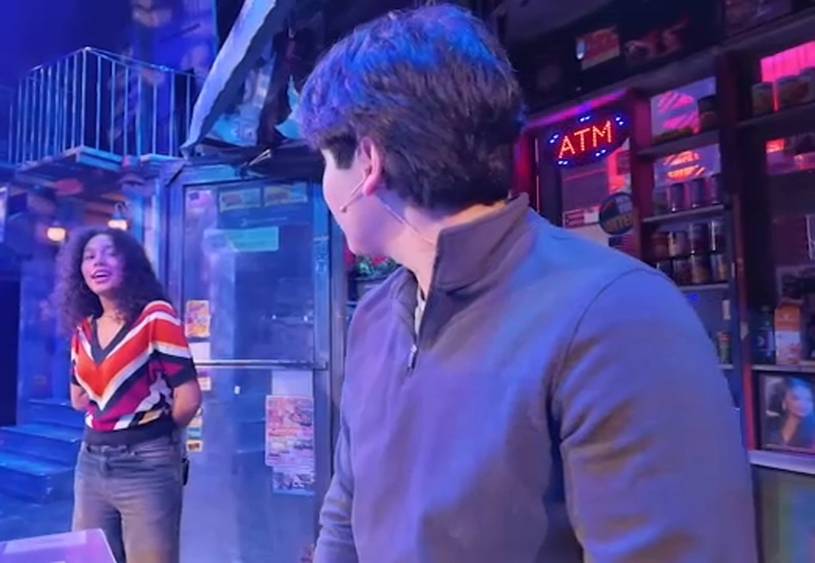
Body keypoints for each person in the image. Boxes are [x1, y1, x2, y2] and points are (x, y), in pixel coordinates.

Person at [297, 5, 756, 562]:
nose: (326, 185)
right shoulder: (374, 319)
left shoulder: (616, 315)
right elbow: (347, 510)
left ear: (368, 161)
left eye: (328, 160)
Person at [54, 226, 202, 563]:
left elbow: (189, 398)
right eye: (89, 257)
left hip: (146, 464)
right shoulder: (83, 330)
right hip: (90, 463)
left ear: (129, 263)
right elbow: (79, 398)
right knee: (89, 558)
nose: (98, 262)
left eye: (110, 253)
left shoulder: (155, 316)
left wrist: (155, 436)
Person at [766, 377, 815, 450]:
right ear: (784, 401)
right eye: (796, 398)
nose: (803, 404)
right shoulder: (770, 423)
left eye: (809, 399)